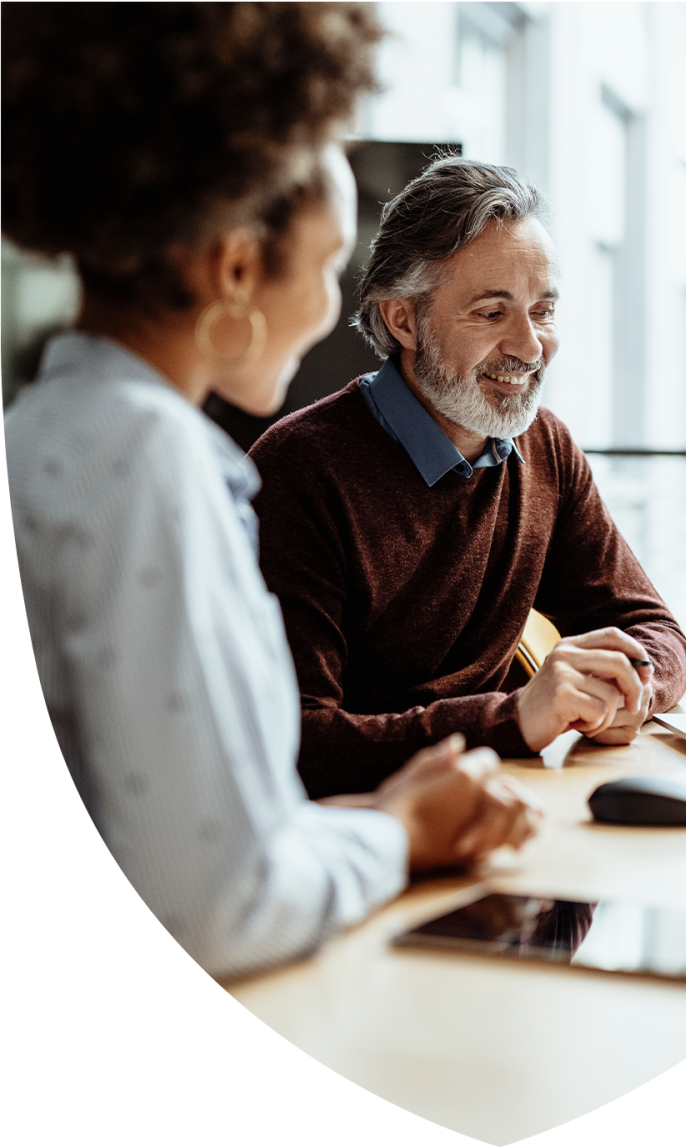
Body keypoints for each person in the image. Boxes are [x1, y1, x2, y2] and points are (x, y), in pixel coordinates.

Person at [1, 1, 541, 983]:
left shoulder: (50, 428)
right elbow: (221, 906)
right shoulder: (148, 463)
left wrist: (374, 815)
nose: (339, 307)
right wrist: (400, 831)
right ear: (236, 268)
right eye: (332, 266)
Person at [249, 157, 686, 798]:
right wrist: (515, 718)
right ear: (403, 320)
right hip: (371, 841)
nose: (530, 346)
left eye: (542, 311)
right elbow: (298, 744)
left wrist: (632, 686)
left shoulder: (544, 446)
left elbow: (655, 628)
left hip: (508, 809)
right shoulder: (296, 474)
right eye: (492, 314)